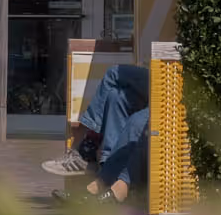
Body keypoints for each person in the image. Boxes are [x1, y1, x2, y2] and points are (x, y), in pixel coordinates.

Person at [41, 62, 149, 201]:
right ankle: (102, 169)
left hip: (172, 77)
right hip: (160, 71)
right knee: (115, 97)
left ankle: (86, 149)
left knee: (113, 73)